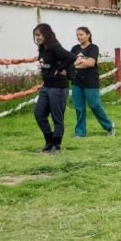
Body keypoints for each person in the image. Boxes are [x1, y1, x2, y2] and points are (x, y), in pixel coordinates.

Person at [32, 23, 77, 154]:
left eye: (39, 35)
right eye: (36, 36)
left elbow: (71, 57)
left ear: (46, 34)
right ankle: (49, 142)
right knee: (39, 114)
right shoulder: (42, 48)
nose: (37, 38)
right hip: (46, 87)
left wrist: (59, 69)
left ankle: (56, 146)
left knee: (57, 118)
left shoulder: (54, 47)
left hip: (58, 87)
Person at [70, 26, 115, 138]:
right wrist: (79, 63)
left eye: (81, 34)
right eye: (77, 35)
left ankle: (109, 126)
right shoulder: (75, 49)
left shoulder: (93, 48)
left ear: (88, 35)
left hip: (90, 81)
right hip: (76, 82)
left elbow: (90, 63)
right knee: (79, 107)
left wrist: (77, 63)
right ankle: (80, 132)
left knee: (95, 105)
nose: (79, 37)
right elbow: (70, 63)